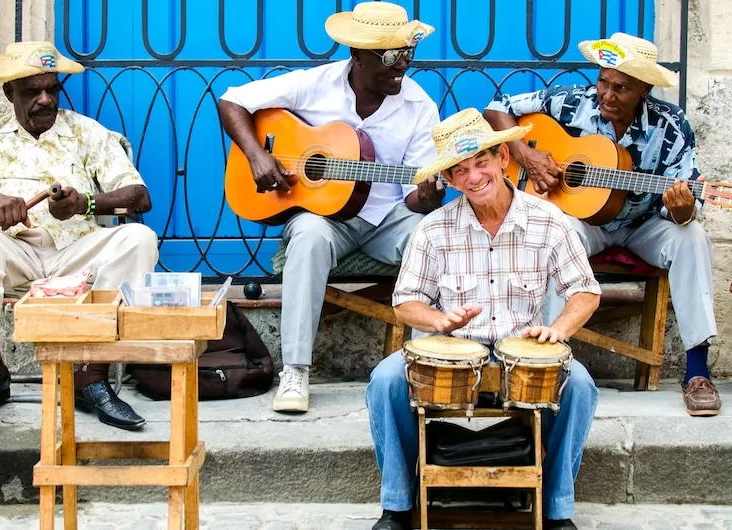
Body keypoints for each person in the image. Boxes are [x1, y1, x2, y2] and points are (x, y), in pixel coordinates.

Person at [365, 108, 602, 530]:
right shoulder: (433, 229)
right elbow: (405, 302)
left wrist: (559, 330)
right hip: (452, 354)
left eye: (481, 163)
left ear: (502, 159)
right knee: (385, 380)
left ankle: (557, 506)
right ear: (451, 181)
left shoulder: (548, 220)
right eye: (460, 171)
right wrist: (439, 320)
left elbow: (584, 290)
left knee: (580, 385)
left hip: (524, 354)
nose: (473, 177)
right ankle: (397, 505)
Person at [219, 1, 446, 413]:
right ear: (358, 56)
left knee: (432, 235)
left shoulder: (420, 107)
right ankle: (296, 371)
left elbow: (414, 196)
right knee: (306, 235)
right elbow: (232, 101)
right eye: (393, 57)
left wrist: (427, 198)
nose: (403, 66)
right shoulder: (314, 84)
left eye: (408, 55)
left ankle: (426, 363)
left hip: (387, 218)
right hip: (325, 218)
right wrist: (256, 155)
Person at [484, 32, 722, 417]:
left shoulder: (671, 126)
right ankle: (545, 364)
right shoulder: (571, 101)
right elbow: (496, 109)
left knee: (692, 236)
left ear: (644, 89)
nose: (607, 95)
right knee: (552, 229)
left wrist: (683, 209)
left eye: (622, 88)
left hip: (645, 224)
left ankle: (696, 371)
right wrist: (526, 157)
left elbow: (684, 205)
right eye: (603, 82)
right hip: (586, 222)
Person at [0, 41, 158, 431]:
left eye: (52, 90)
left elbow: (139, 196)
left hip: (76, 253)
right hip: (12, 252)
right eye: (31, 92)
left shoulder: (86, 132)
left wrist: (85, 204)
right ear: (10, 93)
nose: (45, 100)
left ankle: (91, 376)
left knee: (139, 239)